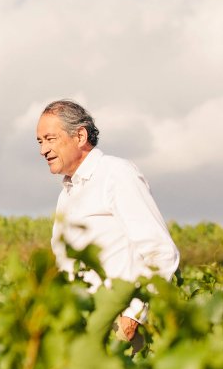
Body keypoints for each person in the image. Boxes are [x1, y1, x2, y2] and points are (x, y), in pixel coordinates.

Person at [36, 99, 179, 346]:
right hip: (80, 332)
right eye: (40, 142)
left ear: (79, 136)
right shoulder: (67, 193)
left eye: (50, 139)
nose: (43, 150)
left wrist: (131, 319)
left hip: (116, 329)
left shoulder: (116, 174)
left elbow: (160, 251)